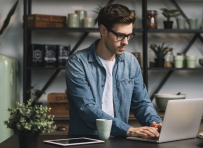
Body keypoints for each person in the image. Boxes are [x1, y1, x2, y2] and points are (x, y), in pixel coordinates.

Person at [65, 3, 162, 139]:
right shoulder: (77, 63)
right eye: (120, 35)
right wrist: (128, 130)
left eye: (129, 35)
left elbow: (141, 102)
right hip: (86, 140)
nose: (126, 42)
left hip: (119, 140)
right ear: (103, 30)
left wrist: (156, 124)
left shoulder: (131, 62)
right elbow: (87, 108)